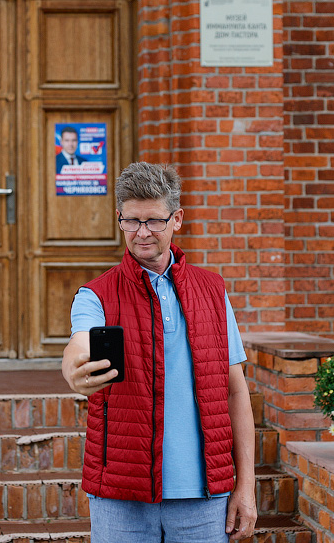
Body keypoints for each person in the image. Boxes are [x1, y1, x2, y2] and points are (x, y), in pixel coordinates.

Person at [61, 162, 256, 543]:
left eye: (154, 221)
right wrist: (74, 370)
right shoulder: (95, 294)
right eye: (131, 221)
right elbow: (79, 342)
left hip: (204, 493)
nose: (142, 233)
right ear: (119, 218)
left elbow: (235, 390)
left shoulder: (213, 290)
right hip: (121, 495)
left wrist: (245, 487)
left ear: (177, 219)